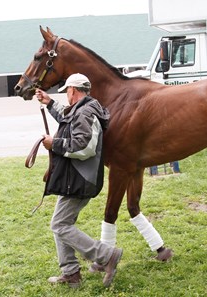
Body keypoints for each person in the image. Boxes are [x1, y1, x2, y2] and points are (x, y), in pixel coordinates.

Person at [35, 73, 122, 288]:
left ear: (73, 90)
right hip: (77, 177)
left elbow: (83, 146)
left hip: (80, 179)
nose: (67, 95)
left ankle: (106, 256)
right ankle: (71, 272)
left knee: (59, 224)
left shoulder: (85, 112)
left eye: (67, 91)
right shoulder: (83, 109)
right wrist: (49, 103)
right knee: (60, 223)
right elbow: (68, 119)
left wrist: (54, 143)